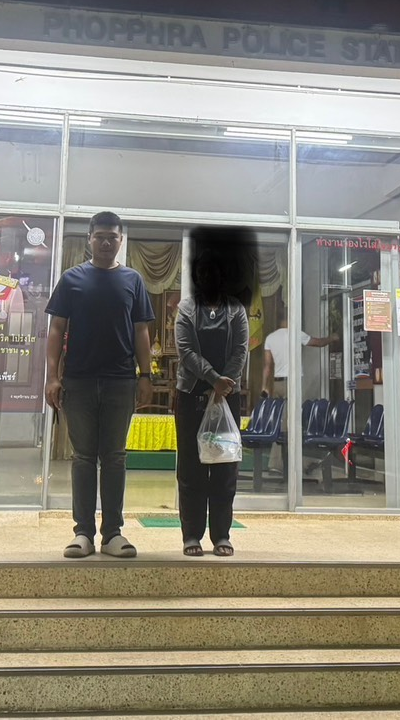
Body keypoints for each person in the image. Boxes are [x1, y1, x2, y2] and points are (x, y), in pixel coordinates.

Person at [44, 212, 155, 558]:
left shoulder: (133, 280)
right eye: (100, 236)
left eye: (112, 237)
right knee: (82, 457)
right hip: (78, 380)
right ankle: (83, 533)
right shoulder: (71, 279)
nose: (106, 242)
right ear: (89, 238)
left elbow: (141, 331)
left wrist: (146, 375)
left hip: (121, 381)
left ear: (120, 241)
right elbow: (56, 329)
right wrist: (52, 377)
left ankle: (112, 534)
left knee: (115, 457)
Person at [173, 226, 254, 557]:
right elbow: (186, 351)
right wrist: (213, 380)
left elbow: (240, 350)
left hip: (227, 397)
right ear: (197, 276)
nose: (209, 276)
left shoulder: (237, 310)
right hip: (190, 396)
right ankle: (191, 535)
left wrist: (225, 384)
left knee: (224, 467)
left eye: (214, 271)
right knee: (191, 468)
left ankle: (221, 535)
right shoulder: (185, 309)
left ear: (223, 276)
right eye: (203, 271)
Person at [261, 301, 337, 399]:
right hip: (293, 383)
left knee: (279, 408)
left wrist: (264, 387)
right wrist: (332, 338)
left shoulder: (270, 338)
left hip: (277, 383)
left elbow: (267, 367)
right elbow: (318, 343)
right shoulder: (296, 334)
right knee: (293, 408)